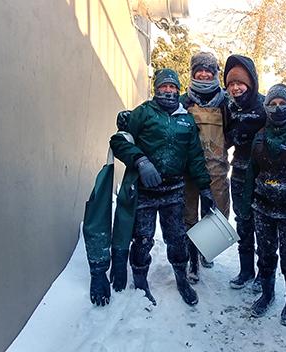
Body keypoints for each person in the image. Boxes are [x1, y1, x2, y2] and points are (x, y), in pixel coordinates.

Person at [108, 68, 215, 306]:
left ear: (178, 90)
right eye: (163, 87)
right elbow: (119, 140)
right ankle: (141, 282)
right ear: (156, 89)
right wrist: (141, 161)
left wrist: (205, 188)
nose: (168, 91)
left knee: (177, 238)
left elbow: (195, 158)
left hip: (173, 192)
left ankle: (181, 279)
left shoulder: (186, 120)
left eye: (172, 87)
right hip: (146, 192)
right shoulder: (143, 113)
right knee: (143, 238)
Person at [241, 84, 286, 325]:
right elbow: (251, 172)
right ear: (266, 107)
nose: (278, 108)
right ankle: (267, 294)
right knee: (266, 254)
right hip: (263, 207)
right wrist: (245, 205)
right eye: (273, 104)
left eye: (283, 104)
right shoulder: (260, 135)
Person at [179, 52, 231, 284]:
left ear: (215, 73)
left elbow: (233, 131)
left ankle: (205, 251)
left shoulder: (226, 102)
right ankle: (192, 261)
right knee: (188, 215)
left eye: (208, 70)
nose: (203, 73)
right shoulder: (183, 102)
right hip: (188, 171)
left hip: (216, 170)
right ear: (192, 73)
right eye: (199, 70)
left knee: (215, 214)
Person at [223, 54, 266, 291]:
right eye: (230, 84)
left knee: (262, 225)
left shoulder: (265, 105)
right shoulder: (229, 107)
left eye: (239, 83)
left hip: (261, 176)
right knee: (243, 223)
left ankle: (263, 273)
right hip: (238, 173)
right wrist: (231, 138)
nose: (236, 88)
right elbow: (224, 136)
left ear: (250, 83)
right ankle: (246, 269)